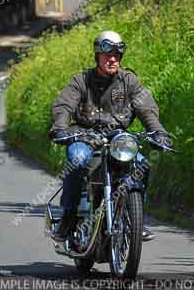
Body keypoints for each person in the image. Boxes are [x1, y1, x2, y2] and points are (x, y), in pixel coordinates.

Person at [49, 30, 173, 242]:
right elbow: (64, 105)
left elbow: (147, 109)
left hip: (118, 138)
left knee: (141, 164)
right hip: (85, 136)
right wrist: (61, 127)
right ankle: (69, 216)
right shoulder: (81, 80)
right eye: (107, 55)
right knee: (77, 159)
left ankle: (135, 220)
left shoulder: (129, 81)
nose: (112, 59)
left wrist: (158, 132)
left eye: (116, 55)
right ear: (97, 56)